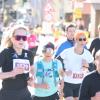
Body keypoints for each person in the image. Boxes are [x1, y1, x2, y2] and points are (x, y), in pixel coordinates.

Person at [0, 23, 34, 100]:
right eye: (18, 37)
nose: (21, 40)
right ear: (12, 39)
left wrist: (32, 78)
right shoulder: (5, 53)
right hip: (7, 95)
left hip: (25, 95)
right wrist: (12, 73)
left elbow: (32, 69)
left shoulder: (29, 54)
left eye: (24, 38)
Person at [59, 31, 94, 100]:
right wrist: (64, 71)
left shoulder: (87, 54)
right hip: (67, 83)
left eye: (84, 39)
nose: (82, 41)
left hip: (80, 84)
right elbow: (57, 62)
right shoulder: (67, 52)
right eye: (80, 39)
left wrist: (87, 67)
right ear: (75, 40)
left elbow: (93, 68)